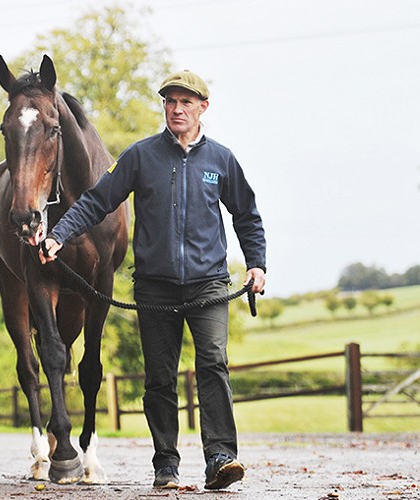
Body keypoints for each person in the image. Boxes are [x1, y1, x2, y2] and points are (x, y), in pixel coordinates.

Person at [39, 70, 266, 490]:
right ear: (164, 106)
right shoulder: (140, 157)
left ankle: (220, 457)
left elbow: (246, 215)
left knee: (213, 364)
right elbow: (96, 202)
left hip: (208, 283)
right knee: (159, 376)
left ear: (202, 108)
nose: (177, 109)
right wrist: (58, 235)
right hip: (155, 285)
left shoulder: (221, 159)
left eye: (185, 102)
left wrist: (256, 264)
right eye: (170, 102)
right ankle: (167, 465)